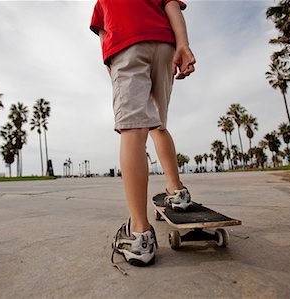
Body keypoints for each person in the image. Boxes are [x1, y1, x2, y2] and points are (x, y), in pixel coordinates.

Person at [90, 0, 196, 267]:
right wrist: (182, 45)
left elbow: (103, 34)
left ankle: (139, 234)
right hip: (164, 45)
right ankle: (177, 192)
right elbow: (171, 6)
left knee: (132, 131)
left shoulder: (101, 2)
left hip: (126, 47)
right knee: (159, 125)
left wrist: (110, 63)